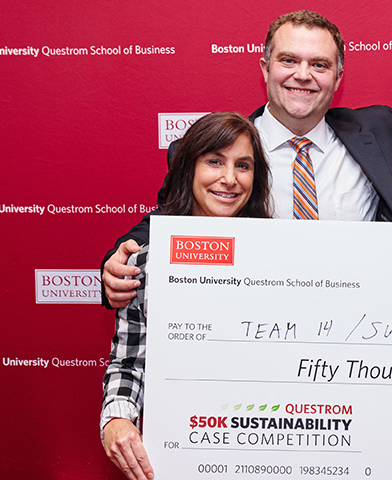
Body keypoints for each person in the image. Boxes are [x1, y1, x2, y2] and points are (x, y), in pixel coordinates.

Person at [100, 10, 392, 308]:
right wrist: (117, 263)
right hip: (251, 333)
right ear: (265, 68)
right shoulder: (214, 155)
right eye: (288, 60)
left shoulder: (381, 132)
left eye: (319, 65)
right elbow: (170, 218)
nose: (302, 75)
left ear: (338, 76)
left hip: (350, 330)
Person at [100, 112, 272, 480]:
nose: (229, 178)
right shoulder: (148, 258)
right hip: (182, 451)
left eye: (243, 166)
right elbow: (128, 361)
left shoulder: (276, 259)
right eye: (214, 161)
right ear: (188, 168)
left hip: (265, 447)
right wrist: (115, 419)